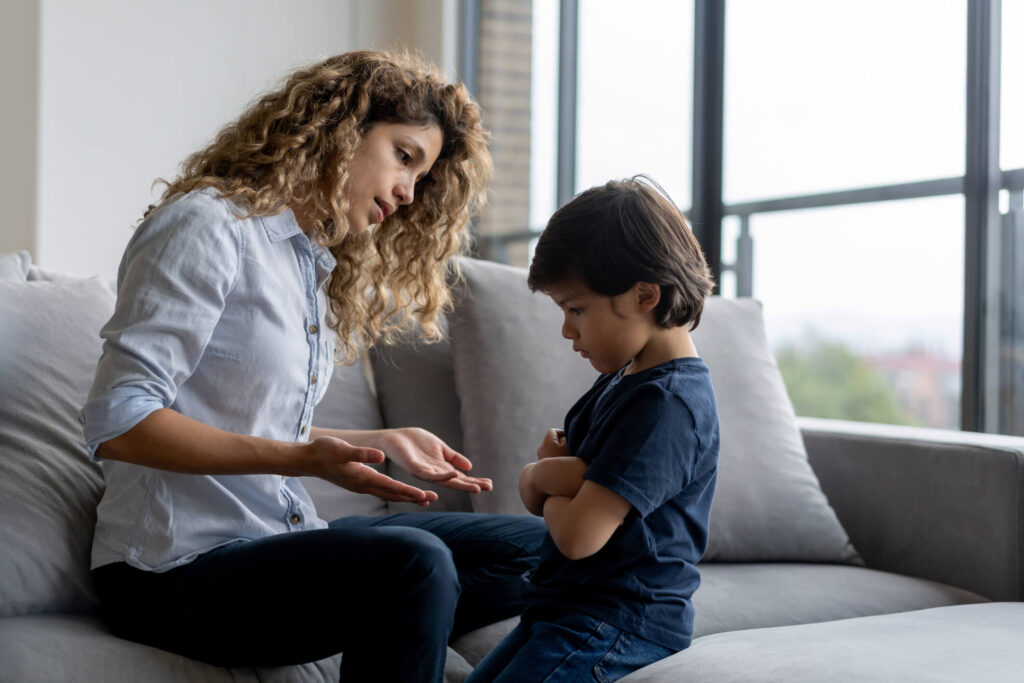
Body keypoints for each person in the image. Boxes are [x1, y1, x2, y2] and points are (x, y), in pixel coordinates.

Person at [81, 50, 544, 683]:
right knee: (415, 562)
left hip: (273, 542)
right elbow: (120, 421)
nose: (410, 193)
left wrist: (371, 442)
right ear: (340, 129)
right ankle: (408, 610)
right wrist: (306, 459)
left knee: (543, 552)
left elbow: (248, 421)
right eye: (404, 156)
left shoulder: (311, 266)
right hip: (169, 571)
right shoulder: (207, 227)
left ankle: (405, 619)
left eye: (422, 176)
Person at [465, 176, 720, 682]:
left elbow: (579, 536)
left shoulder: (668, 405)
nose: (567, 330)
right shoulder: (624, 379)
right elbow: (549, 497)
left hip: (617, 624)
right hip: (566, 611)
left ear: (644, 295)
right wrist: (561, 478)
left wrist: (544, 477)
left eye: (576, 309)